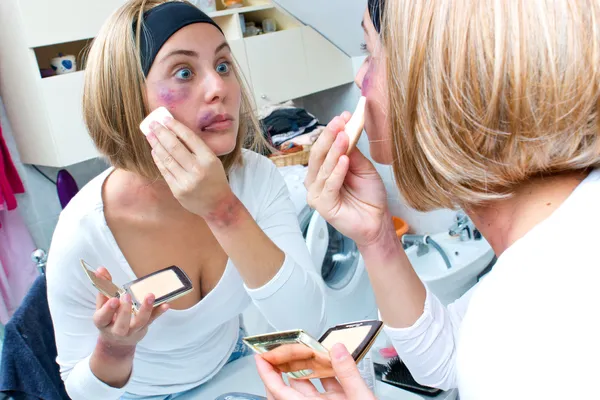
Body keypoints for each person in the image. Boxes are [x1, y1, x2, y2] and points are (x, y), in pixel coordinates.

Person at [257, 0, 600, 399]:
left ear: (439, 80)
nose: (359, 78)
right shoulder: (558, 239)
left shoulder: (535, 315)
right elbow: (448, 356)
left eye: (370, 52)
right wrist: (377, 236)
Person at [45, 1, 326, 399]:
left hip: (232, 364)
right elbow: (81, 392)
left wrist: (224, 211)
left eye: (223, 65)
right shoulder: (83, 233)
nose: (219, 89)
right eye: (184, 72)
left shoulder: (255, 179)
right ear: (128, 100)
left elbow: (305, 321)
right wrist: (116, 349)